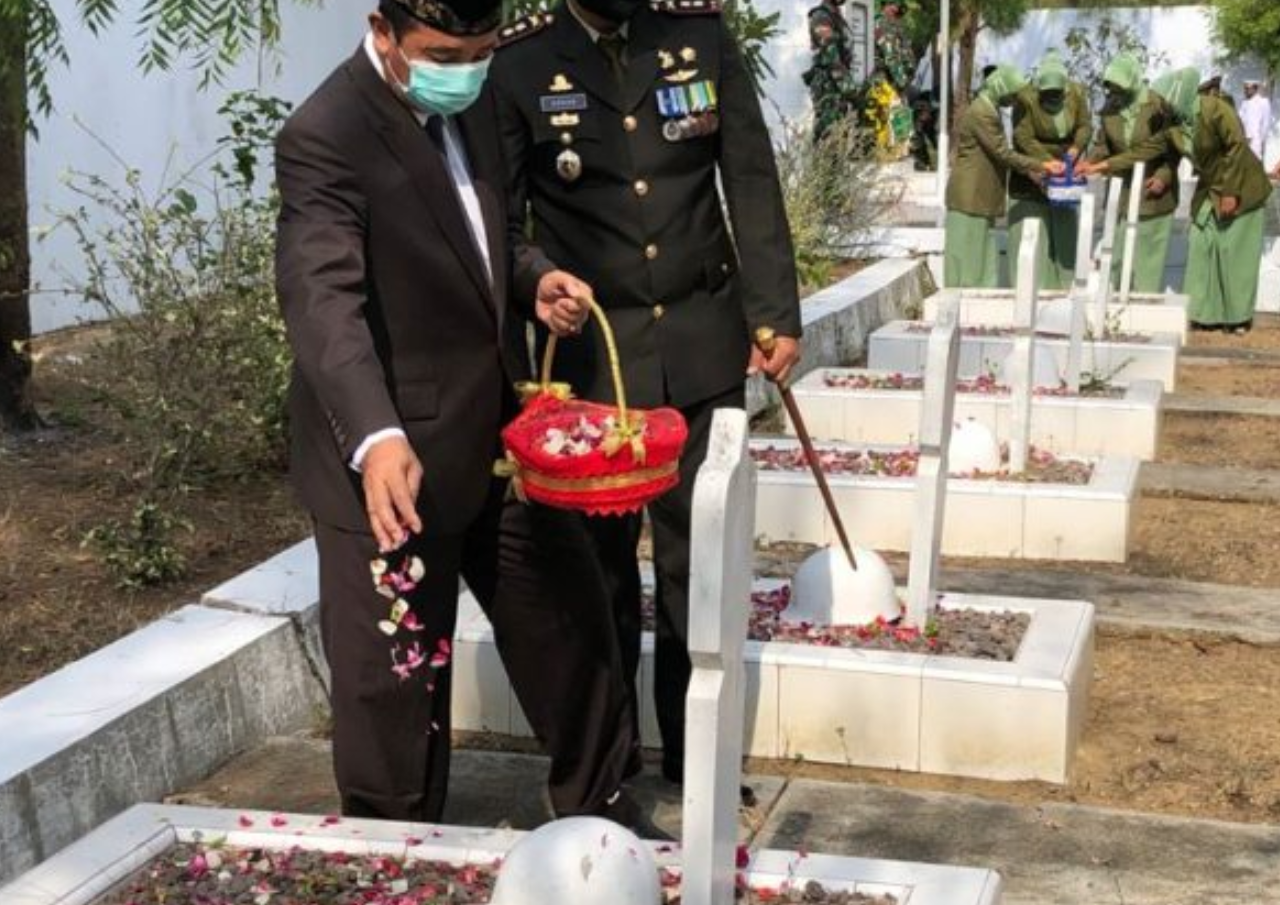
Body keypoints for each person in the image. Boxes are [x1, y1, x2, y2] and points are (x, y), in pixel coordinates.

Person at [274, 0, 645, 827]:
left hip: (498, 442)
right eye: (443, 52)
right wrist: (374, 436)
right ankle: (392, 844)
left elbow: (484, 232)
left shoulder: (473, 96)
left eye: (478, 51)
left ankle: (601, 805)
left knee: (569, 625)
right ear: (382, 31)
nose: (464, 68)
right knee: (393, 687)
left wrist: (533, 278)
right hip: (392, 463)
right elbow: (321, 301)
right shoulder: (325, 134)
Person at [491, 0, 802, 786]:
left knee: (698, 558)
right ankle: (612, 758)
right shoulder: (521, 62)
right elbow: (502, 219)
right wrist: (535, 285)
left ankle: (696, 754)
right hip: (596, 364)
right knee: (597, 575)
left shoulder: (696, 37)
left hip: (701, 342)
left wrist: (773, 310)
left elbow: (750, 176)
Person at [1102, 68, 1272, 333]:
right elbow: (1146, 149)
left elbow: (1237, 146)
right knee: (1200, 244)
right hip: (1209, 188)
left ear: (1176, 95)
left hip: (1241, 185)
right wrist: (1101, 165)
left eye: (1161, 99)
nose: (1157, 104)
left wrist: (1230, 192)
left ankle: (1238, 318)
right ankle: (1203, 315)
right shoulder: (1173, 126)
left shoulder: (1213, 108)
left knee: (1235, 250)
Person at [944, 65, 1064, 288]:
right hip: (970, 193)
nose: (1014, 99)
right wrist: (1042, 165)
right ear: (1001, 88)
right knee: (968, 252)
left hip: (979, 194)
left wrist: (1032, 171)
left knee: (981, 249)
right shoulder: (982, 112)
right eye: (1013, 93)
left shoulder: (989, 108)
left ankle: (978, 299)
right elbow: (1002, 152)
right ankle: (965, 303)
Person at [1077, 52, 1182, 294]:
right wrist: (1089, 163)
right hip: (1121, 190)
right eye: (1111, 88)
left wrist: (1164, 177)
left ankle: (1144, 304)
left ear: (1134, 80)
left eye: (1120, 87)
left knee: (1148, 253)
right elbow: (1103, 145)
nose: (1115, 93)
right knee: (1116, 249)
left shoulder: (1158, 105)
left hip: (1153, 189)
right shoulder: (1110, 109)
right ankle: (1113, 302)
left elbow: (1173, 147)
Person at [1007, 51, 1092, 291]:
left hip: (1067, 166)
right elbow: (1023, 136)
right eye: (1048, 94)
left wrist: (1076, 149)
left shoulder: (1077, 92)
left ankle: (1066, 287)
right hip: (1034, 167)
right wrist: (1045, 164)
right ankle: (1034, 289)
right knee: (1034, 233)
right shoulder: (1025, 98)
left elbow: (1085, 125)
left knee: (1066, 232)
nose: (1053, 97)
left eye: (1057, 93)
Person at [804, 0, 859, 142]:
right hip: (828, 85)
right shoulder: (821, 16)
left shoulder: (836, 16)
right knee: (829, 135)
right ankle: (822, 164)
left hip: (837, 84)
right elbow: (830, 54)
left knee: (840, 134)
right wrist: (847, 86)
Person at [1240, 78, 1272, 162]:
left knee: (1255, 164)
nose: (1245, 91)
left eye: (1247, 89)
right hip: (1243, 139)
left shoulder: (1263, 102)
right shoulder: (1244, 102)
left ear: (1255, 89)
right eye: (1245, 88)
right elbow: (1240, 120)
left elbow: (1265, 124)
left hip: (1255, 140)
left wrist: (1262, 140)